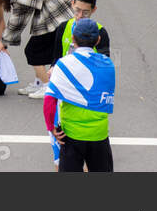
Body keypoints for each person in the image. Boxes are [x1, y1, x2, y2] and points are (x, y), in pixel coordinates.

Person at [44, 17, 117, 172]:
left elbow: (49, 101)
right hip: (99, 135)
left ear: (73, 39)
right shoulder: (108, 64)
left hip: (70, 136)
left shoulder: (63, 64)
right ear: (98, 40)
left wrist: (51, 127)